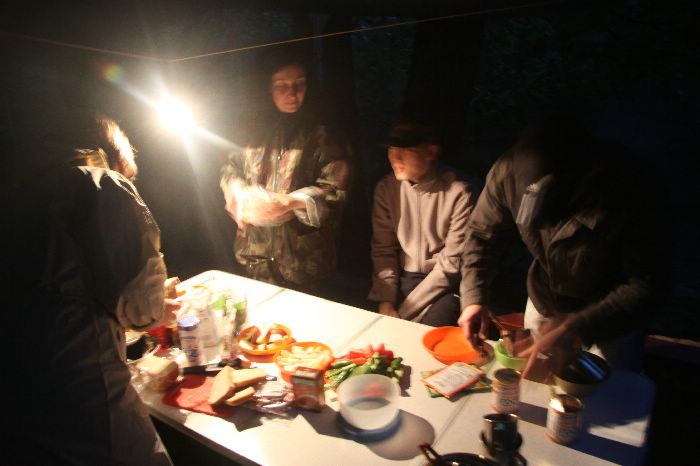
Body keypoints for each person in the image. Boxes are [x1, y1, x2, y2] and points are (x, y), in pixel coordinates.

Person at [5, 110, 178, 465]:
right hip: (82, 396)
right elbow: (140, 304)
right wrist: (160, 308)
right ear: (116, 153)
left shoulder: (18, 188)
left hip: (17, 396)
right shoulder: (103, 183)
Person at [458, 113, 669, 373]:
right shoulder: (508, 171)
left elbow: (648, 283)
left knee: (607, 391)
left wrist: (577, 327)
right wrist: (474, 297)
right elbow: (482, 236)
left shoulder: (632, 188)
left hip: (610, 316)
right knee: (535, 381)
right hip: (545, 300)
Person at [220, 50, 351, 294]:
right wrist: (236, 192)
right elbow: (230, 168)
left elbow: (336, 190)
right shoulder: (248, 130)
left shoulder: (324, 133)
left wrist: (292, 202)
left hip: (305, 263)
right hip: (256, 257)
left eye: (299, 84)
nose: (292, 94)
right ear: (266, 88)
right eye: (282, 86)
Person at [368, 118, 478, 326]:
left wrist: (403, 314)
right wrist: (385, 301)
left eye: (406, 149)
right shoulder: (386, 189)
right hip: (403, 277)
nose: (395, 157)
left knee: (427, 329)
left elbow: (451, 265)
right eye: (392, 149)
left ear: (431, 152)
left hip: (445, 285)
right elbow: (383, 249)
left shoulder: (459, 192)